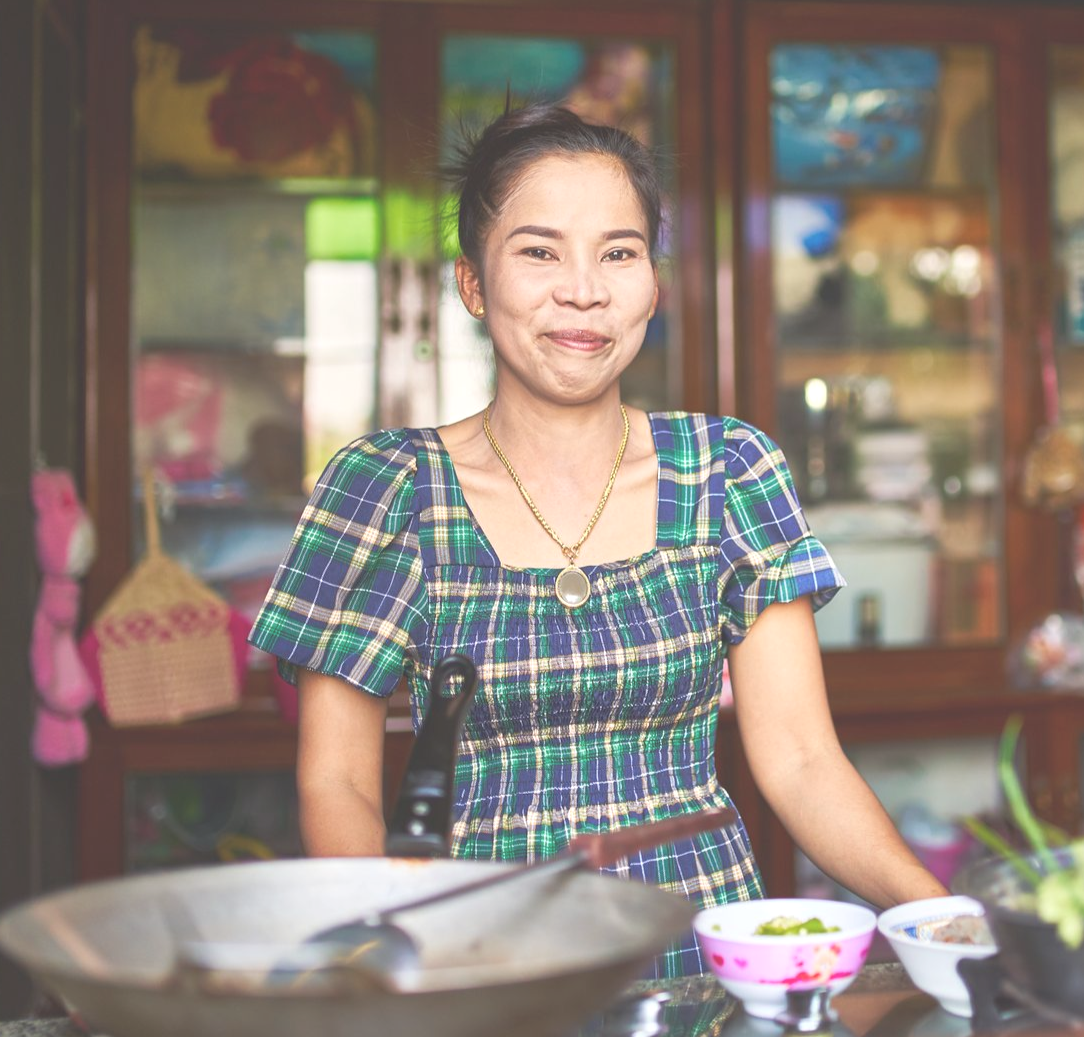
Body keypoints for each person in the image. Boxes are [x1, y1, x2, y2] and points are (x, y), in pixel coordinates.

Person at [248, 102, 947, 978]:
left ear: (653, 284)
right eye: (539, 251)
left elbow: (803, 760)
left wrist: (935, 915)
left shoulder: (729, 470)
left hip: (701, 956)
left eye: (618, 253)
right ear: (472, 283)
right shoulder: (385, 489)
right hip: (484, 958)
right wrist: (405, 965)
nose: (583, 290)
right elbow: (339, 785)